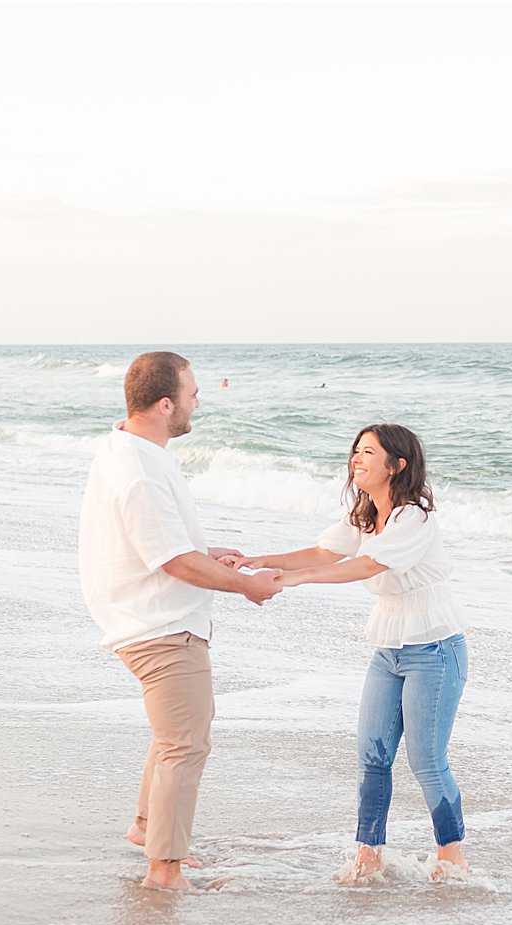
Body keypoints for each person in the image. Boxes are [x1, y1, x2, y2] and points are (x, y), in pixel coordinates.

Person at [77, 351, 282, 891]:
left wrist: (204, 550)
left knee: (173, 735)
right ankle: (164, 870)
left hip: (146, 613)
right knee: (185, 744)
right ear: (165, 404)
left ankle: (149, 830)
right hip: (158, 624)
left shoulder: (128, 447)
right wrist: (247, 586)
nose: (198, 402)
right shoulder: (139, 469)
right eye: (192, 394)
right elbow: (169, 560)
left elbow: (155, 540)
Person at [244, 424, 470, 883]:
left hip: (434, 648)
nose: (356, 459)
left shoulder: (414, 518)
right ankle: (368, 855)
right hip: (388, 650)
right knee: (373, 756)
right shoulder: (366, 514)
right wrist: (259, 562)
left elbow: (368, 564)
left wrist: (293, 581)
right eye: (355, 451)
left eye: (369, 452)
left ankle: (451, 857)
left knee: (426, 761)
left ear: (397, 464)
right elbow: (324, 552)